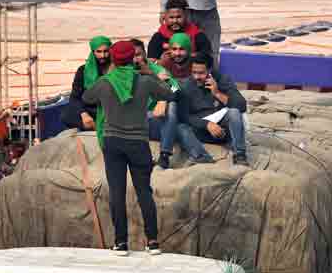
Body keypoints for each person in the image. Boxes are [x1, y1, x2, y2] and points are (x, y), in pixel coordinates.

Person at [84, 41, 173, 256]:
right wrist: (150, 73)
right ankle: (153, 242)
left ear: (113, 59)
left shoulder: (105, 82)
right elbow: (172, 93)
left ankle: (121, 243)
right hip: (138, 143)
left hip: (112, 142)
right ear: (133, 57)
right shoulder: (144, 81)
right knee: (144, 192)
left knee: (116, 193)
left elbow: (87, 97)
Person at [129, 39, 204, 169]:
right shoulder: (123, 73)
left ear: (145, 54)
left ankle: (164, 156)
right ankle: (200, 156)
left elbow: (176, 89)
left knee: (174, 113)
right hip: (134, 121)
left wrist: (163, 91)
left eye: (138, 55)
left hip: (157, 118)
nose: (135, 59)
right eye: (131, 56)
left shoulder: (158, 69)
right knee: (179, 126)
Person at [177, 54, 249, 166]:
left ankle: (239, 154)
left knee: (234, 112)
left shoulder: (222, 80)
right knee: (180, 127)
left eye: (201, 73)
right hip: (201, 130)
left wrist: (217, 93)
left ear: (210, 70)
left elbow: (241, 105)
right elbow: (184, 115)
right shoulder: (187, 85)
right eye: (194, 72)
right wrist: (206, 124)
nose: (196, 77)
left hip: (223, 131)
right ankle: (202, 157)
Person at [60, 36, 111, 132]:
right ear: (93, 52)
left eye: (106, 51)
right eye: (99, 52)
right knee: (66, 115)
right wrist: (83, 114)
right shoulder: (83, 70)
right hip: (90, 110)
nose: (103, 55)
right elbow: (75, 97)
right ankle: (95, 127)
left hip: (109, 110)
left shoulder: (115, 69)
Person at [147, 0, 213, 67]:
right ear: (165, 17)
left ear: (186, 15)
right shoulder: (158, 37)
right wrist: (162, 62)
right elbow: (151, 61)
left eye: (178, 17)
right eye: (171, 17)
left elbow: (207, 56)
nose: (175, 21)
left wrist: (188, 56)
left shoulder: (197, 34)